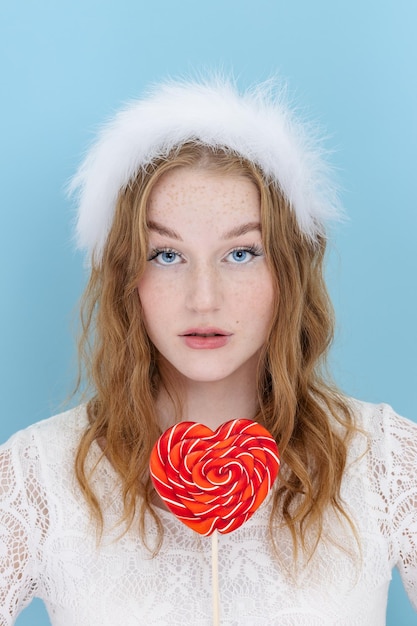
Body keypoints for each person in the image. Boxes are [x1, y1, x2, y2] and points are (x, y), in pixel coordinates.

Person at [1, 77, 416, 626]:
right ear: (128, 275)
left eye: (241, 253)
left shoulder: (384, 462)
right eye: (167, 255)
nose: (204, 298)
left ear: (287, 272)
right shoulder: (39, 475)